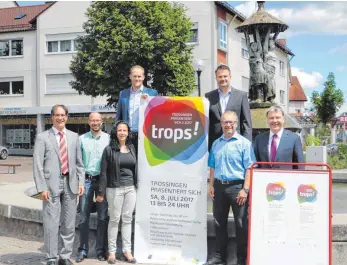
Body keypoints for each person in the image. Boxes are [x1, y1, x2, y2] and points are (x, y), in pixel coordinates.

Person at [33, 104, 85, 265]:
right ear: (52, 117)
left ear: (67, 117)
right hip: (51, 185)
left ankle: (65, 256)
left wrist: (81, 182)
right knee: (51, 223)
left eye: (63, 115)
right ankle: (51, 257)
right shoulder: (43, 137)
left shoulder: (74, 137)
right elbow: (37, 164)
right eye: (57, 115)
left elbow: (79, 163)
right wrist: (41, 187)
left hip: (70, 183)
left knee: (69, 223)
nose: (60, 118)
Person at [206, 111, 255, 265]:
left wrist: (245, 189)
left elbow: (250, 168)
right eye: (225, 122)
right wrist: (211, 185)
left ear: (236, 123)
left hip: (237, 188)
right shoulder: (216, 143)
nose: (228, 125)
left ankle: (241, 259)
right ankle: (220, 257)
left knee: (241, 223)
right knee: (219, 222)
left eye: (231, 122)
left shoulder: (244, 144)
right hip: (219, 187)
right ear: (221, 124)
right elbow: (212, 166)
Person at [97, 121, 137, 264]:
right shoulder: (109, 150)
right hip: (114, 188)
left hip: (131, 188)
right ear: (115, 132)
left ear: (128, 132)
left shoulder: (132, 148)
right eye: (119, 130)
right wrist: (101, 192)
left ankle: (127, 251)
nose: (122, 132)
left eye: (124, 130)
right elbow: (103, 173)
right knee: (114, 220)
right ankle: (112, 252)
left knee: (127, 219)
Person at [75, 112, 110, 263]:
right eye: (92, 120)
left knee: (103, 217)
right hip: (86, 181)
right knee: (83, 217)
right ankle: (82, 250)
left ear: (102, 122)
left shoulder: (108, 139)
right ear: (88, 122)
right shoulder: (81, 139)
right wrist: (79, 182)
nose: (95, 123)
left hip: (102, 182)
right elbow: (78, 163)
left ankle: (101, 250)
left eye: (98, 120)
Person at [205, 64, 252, 151]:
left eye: (225, 76)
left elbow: (246, 122)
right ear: (216, 78)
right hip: (215, 143)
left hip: (236, 143)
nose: (223, 79)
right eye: (220, 77)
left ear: (230, 77)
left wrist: (247, 144)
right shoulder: (209, 96)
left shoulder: (241, 96)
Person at [115, 65, 158, 152]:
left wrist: (149, 101)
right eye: (134, 76)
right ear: (130, 76)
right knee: (128, 162)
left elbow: (156, 115)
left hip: (145, 135)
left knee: (143, 163)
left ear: (143, 77)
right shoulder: (123, 94)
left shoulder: (152, 93)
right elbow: (118, 116)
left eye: (139, 76)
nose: (137, 79)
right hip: (127, 135)